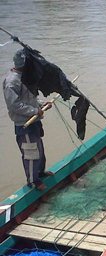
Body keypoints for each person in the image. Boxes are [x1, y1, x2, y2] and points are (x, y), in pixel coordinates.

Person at [3, 49, 53, 191]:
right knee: (31, 153)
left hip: (35, 120)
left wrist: (42, 104)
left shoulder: (26, 77)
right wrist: (34, 111)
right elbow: (14, 105)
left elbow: (31, 97)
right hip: (24, 124)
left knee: (40, 150)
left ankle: (40, 173)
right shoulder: (12, 81)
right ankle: (33, 181)